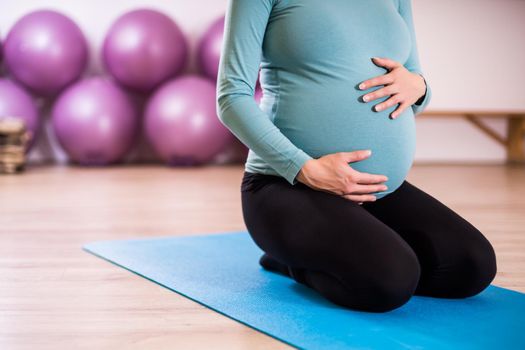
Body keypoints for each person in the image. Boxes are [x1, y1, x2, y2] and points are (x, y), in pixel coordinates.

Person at [216, 0, 497, 313]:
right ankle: (290, 263)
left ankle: (352, 250)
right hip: (285, 186)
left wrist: (420, 86)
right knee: (392, 279)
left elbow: (413, 86)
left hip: (375, 191)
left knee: (472, 265)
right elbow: (231, 97)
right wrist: (304, 168)